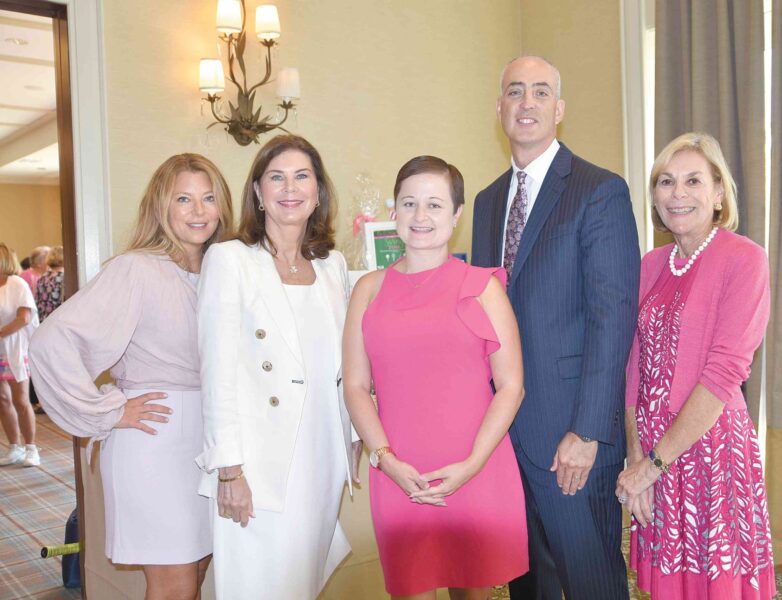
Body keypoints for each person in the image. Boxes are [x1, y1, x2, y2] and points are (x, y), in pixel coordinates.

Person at [471, 56, 640, 599]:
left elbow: (614, 319)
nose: (527, 103)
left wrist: (587, 432)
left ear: (559, 109)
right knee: (528, 586)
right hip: (505, 437)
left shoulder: (599, 190)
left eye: (541, 92)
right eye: (515, 91)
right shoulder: (487, 202)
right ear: (499, 107)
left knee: (591, 584)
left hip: (572, 436)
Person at [29, 154, 233, 599]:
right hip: (156, 439)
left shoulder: (222, 272)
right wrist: (108, 410)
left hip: (211, 441)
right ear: (161, 206)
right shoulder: (136, 268)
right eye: (183, 199)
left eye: (208, 198)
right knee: (175, 583)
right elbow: (50, 341)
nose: (198, 211)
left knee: (196, 572)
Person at [344, 156, 528, 599]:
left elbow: (511, 387)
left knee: (473, 593)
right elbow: (355, 386)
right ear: (395, 211)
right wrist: (385, 458)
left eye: (434, 204)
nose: (420, 216)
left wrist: (472, 465)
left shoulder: (484, 288)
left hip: (475, 469)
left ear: (457, 214)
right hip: (398, 474)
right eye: (409, 203)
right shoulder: (368, 289)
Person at [195, 134, 360, 600]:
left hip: (321, 454)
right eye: (277, 177)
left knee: (301, 584)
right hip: (256, 463)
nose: (290, 188)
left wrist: (351, 436)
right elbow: (217, 373)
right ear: (258, 192)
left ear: (318, 191)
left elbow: (346, 363)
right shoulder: (230, 259)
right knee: (256, 585)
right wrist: (229, 470)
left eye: (302, 176)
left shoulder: (331, 265)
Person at [616, 132, 775, 599]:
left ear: (719, 192)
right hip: (653, 455)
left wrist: (653, 465)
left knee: (714, 585)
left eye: (693, 181)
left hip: (710, 453)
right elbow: (631, 370)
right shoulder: (649, 265)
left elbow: (723, 374)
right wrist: (637, 459)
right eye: (665, 181)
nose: (677, 193)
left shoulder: (745, 259)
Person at [0, 243, 40, 467]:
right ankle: (14, 446)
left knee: (21, 400)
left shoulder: (17, 283)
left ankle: (31, 447)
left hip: (15, 348)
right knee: (2, 399)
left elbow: (23, 318)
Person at [35, 245, 64, 322]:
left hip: (44, 320)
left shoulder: (42, 278)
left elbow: (37, 301)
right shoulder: (64, 277)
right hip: (59, 320)